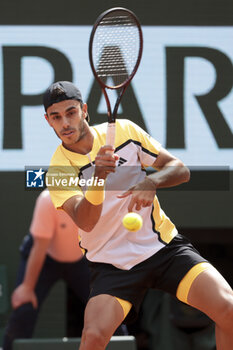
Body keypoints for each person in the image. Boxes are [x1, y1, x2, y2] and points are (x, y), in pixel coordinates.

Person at [44, 81, 233, 350]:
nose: (65, 123)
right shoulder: (57, 170)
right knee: (93, 339)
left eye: (71, 112)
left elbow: (179, 169)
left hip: (164, 249)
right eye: (56, 117)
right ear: (48, 121)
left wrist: (152, 182)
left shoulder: (125, 131)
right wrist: (98, 177)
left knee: (228, 308)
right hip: (112, 264)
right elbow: (86, 220)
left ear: (84, 110)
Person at [3, 189, 90, 350]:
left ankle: (123, 346)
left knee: (107, 307)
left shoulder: (99, 197)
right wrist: (27, 288)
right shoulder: (48, 199)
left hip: (83, 259)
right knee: (24, 305)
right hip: (44, 257)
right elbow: (39, 247)